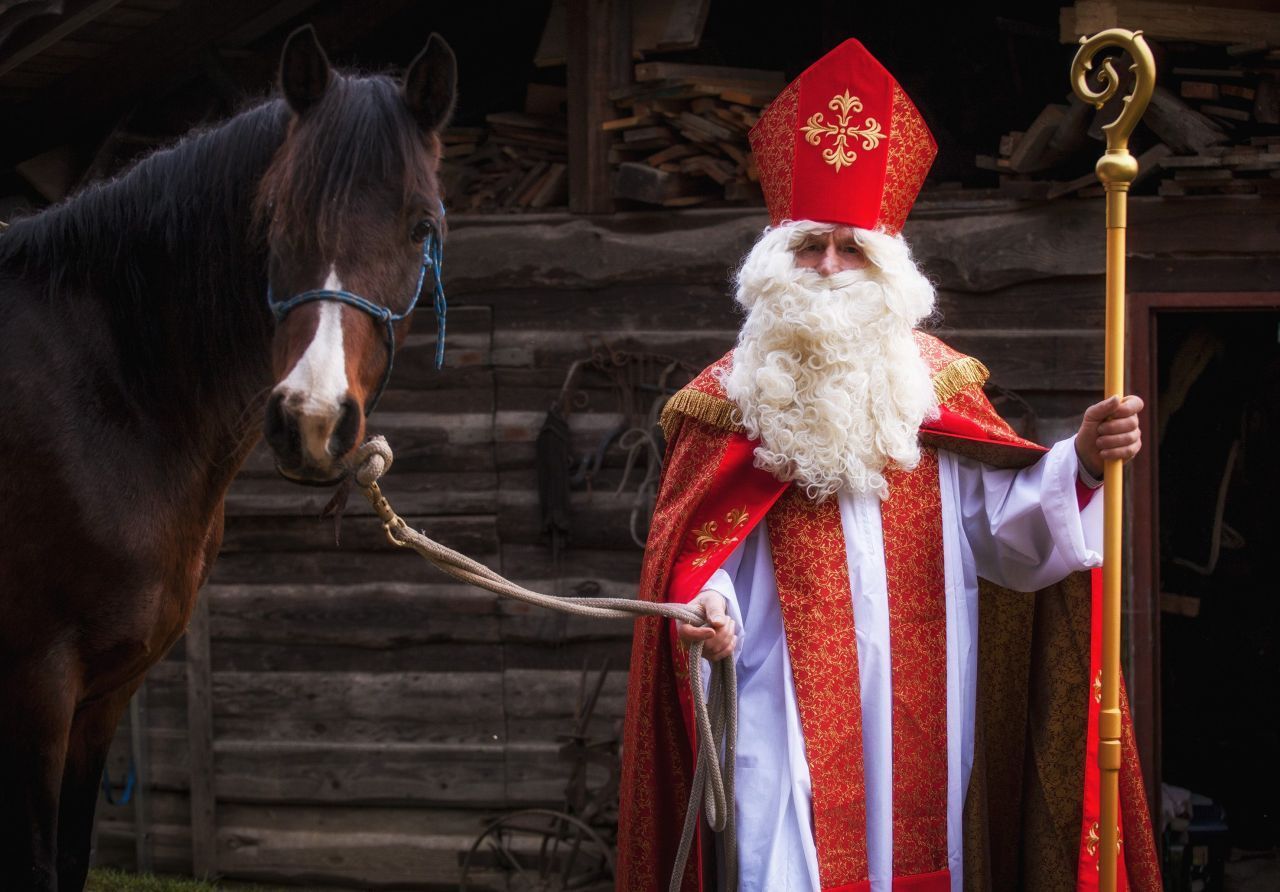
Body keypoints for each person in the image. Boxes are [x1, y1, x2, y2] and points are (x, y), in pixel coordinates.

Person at [616, 39, 1162, 892]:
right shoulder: (726, 404)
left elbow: (1007, 538)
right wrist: (706, 619)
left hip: (928, 736)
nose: (830, 268)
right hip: (780, 726)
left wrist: (1082, 464)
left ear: (889, 267)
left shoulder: (933, 388)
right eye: (810, 247)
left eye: (851, 248)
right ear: (772, 262)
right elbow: (703, 565)